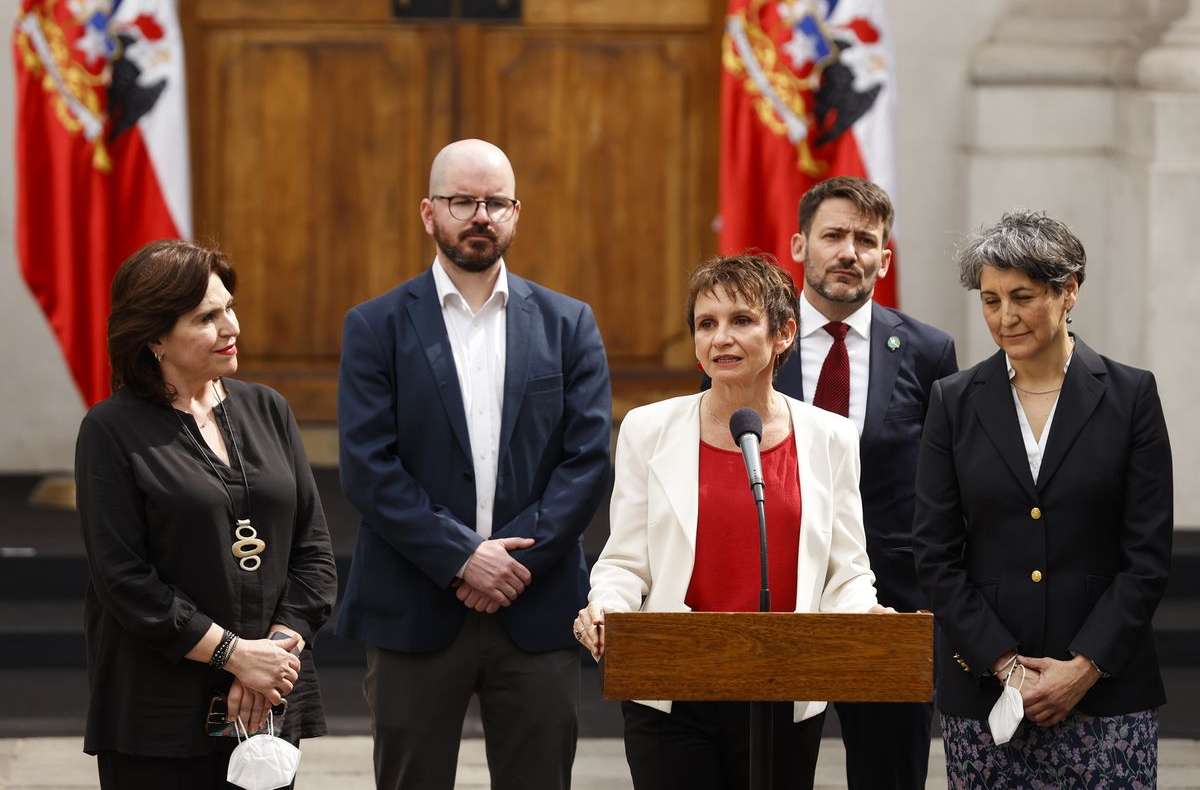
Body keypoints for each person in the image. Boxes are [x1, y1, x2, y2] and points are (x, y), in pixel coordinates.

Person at [336, 138, 612, 790]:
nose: (480, 216)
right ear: (429, 213)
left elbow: (587, 460)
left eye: (495, 202)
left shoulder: (570, 324)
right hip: (414, 602)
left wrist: (513, 563)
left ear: (517, 214)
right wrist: (463, 556)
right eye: (463, 201)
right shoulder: (375, 326)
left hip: (536, 604)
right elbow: (368, 467)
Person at [575, 253, 884, 790]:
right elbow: (625, 561)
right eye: (705, 324)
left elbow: (847, 572)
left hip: (785, 688)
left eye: (741, 320)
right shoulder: (648, 429)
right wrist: (607, 606)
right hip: (671, 691)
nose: (720, 338)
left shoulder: (831, 437)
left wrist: (869, 617)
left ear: (784, 333)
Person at [913, 210, 1172, 787]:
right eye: (990, 300)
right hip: (986, 692)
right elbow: (934, 552)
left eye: (1022, 297)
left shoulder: (1132, 395)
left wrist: (1084, 667)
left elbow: (1148, 557)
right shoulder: (952, 401)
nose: (1004, 318)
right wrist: (1007, 667)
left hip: (1107, 692)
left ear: (1069, 290)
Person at [75, 240, 339, 789]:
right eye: (206, 317)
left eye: (229, 307)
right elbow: (123, 580)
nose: (230, 327)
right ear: (153, 338)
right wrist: (234, 655)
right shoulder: (110, 431)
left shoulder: (269, 408)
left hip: (268, 701)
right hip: (160, 710)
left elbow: (313, 555)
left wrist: (270, 657)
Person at [782, 176, 957, 789]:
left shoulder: (930, 352)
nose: (848, 252)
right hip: (778, 602)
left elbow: (946, 488)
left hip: (892, 606)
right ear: (800, 246)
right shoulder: (750, 341)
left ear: (885, 257)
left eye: (865, 239)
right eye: (833, 235)